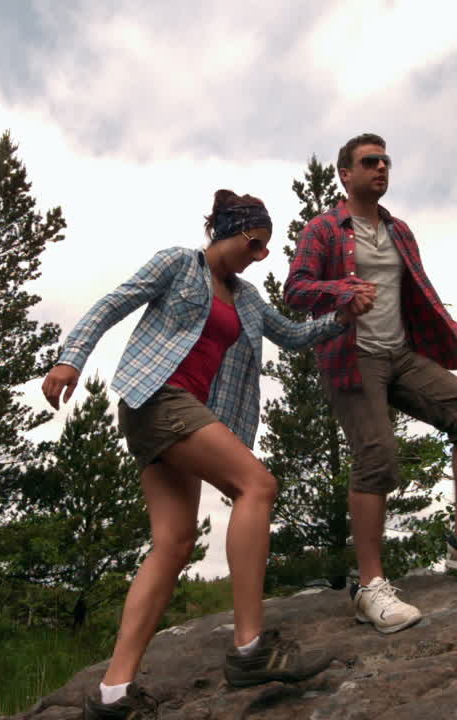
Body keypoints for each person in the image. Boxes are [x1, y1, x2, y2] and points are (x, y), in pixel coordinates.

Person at [42, 190, 366, 719]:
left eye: (265, 248)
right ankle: (249, 650)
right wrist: (70, 359)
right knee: (257, 485)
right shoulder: (178, 264)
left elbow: (293, 336)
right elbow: (110, 305)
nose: (261, 255)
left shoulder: (248, 298)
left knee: (173, 542)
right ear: (233, 233)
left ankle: (112, 694)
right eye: (257, 243)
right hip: (157, 399)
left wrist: (342, 313)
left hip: (185, 414)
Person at [284, 133, 457, 636]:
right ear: (345, 174)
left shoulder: (399, 230)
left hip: (400, 354)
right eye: (369, 162)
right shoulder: (324, 228)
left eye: (386, 162)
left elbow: (422, 288)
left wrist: (453, 329)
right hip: (352, 355)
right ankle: (370, 587)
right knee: (377, 459)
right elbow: (296, 288)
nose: (381, 168)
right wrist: (343, 291)